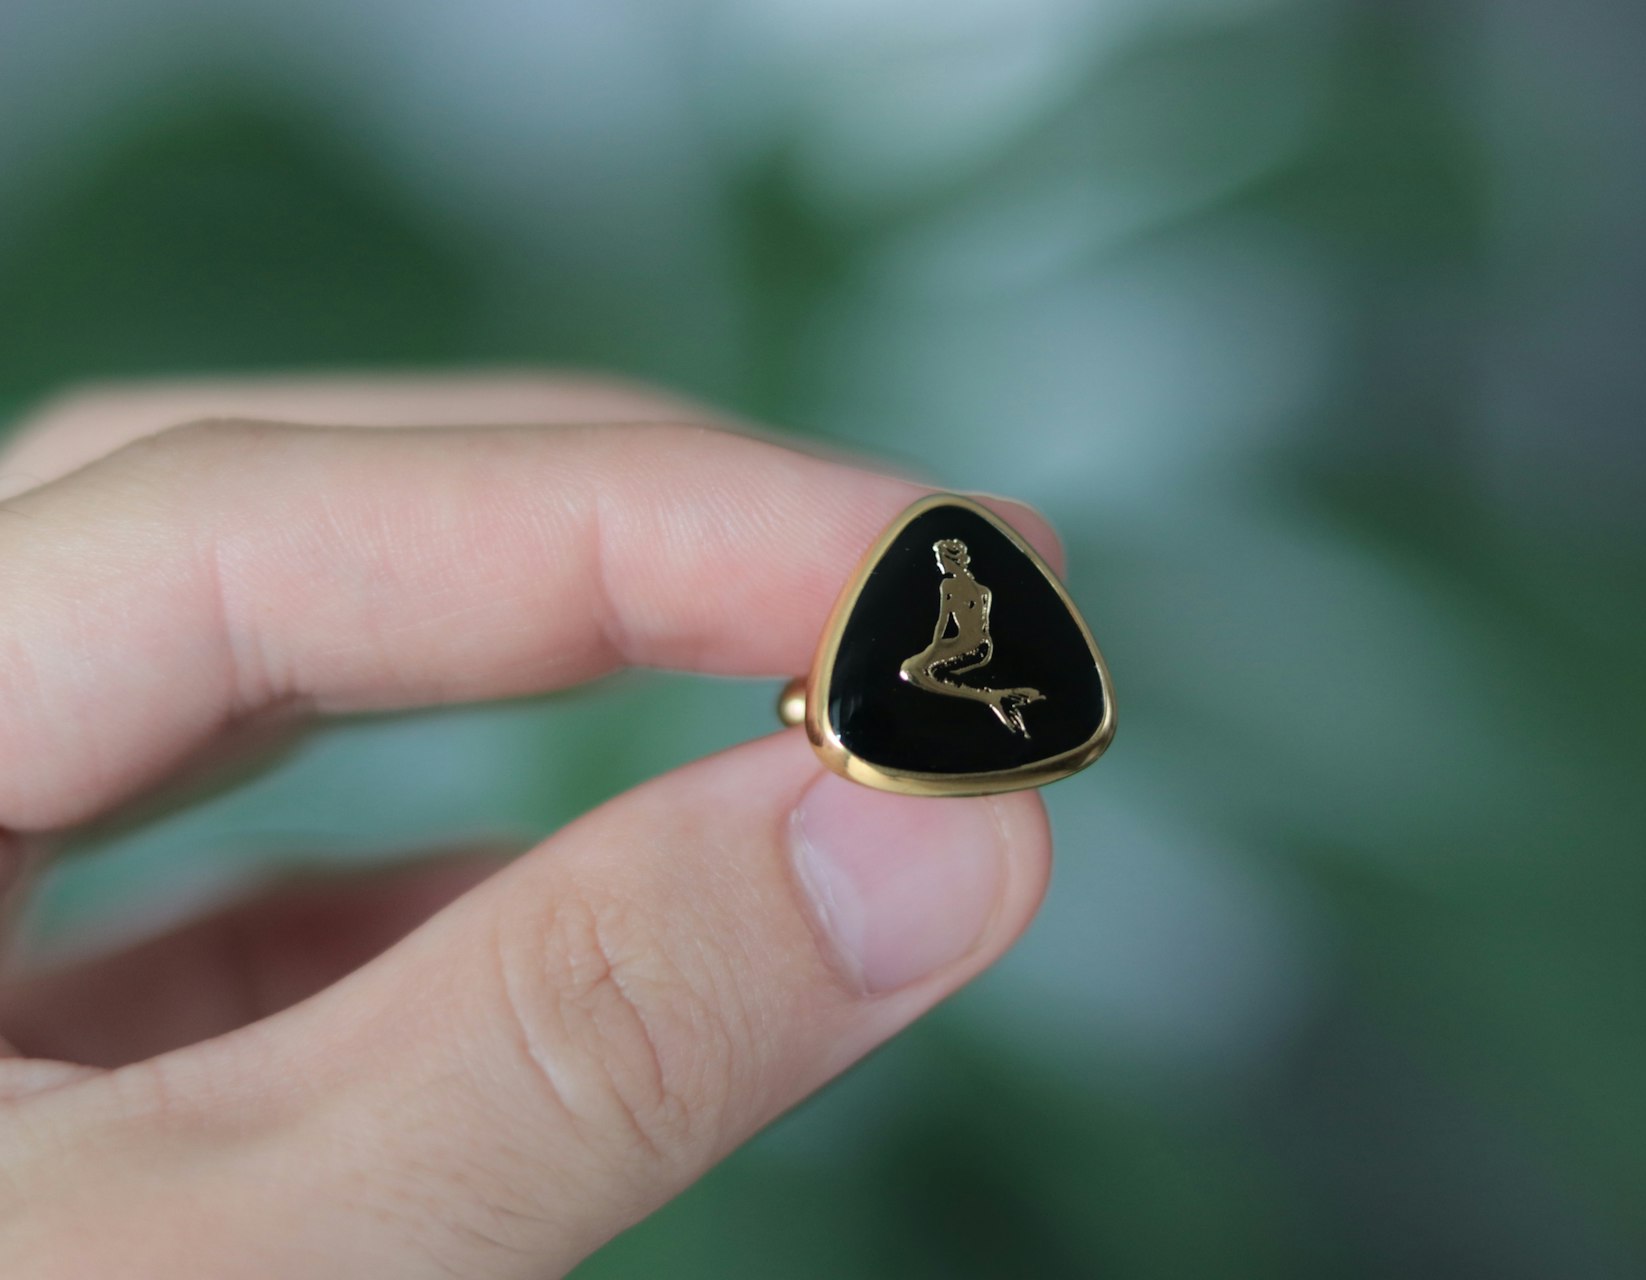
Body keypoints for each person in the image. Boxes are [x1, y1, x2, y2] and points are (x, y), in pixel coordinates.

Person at [0, 373, 1059, 1278]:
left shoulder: (955, 583)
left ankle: (999, 703)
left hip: (910, 687)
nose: (962, 573)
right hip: (898, 690)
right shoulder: (947, 581)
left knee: (934, 673)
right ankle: (997, 703)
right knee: (932, 674)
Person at [898, 537, 1045, 737]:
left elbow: (942, 624)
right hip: (983, 646)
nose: (939, 563)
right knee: (922, 670)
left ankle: (986, 697)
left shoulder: (948, 585)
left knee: (912, 670)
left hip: (965, 645)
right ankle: (992, 697)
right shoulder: (983, 590)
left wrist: (933, 650)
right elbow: (983, 625)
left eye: (940, 558)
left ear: (949, 559)